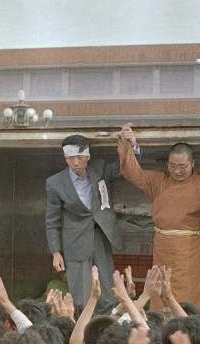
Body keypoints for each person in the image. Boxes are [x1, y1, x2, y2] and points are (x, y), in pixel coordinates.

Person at [117, 124, 200, 314]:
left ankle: (192, 331)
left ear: (192, 164)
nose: (177, 171)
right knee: (160, 291)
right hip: (162, 248)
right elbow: (132, 173)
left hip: (190, 250)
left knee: (190, 296)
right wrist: (130, 144)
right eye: (172, 166)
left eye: (182, 167)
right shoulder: (158, 181)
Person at [46, 133, 139, 311]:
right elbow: (52, 220)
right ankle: (82, 328)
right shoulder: (55, 183)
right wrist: (56, 252)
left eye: (80, 157)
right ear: (65, 158)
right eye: (70, 158)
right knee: (80, 293)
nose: (75, 162)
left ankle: (107, 322)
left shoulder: (100, 169)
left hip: (100, 236)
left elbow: (125, 168)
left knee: (107, 287)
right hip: (75, 240)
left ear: (87, 156)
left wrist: (132, 147)